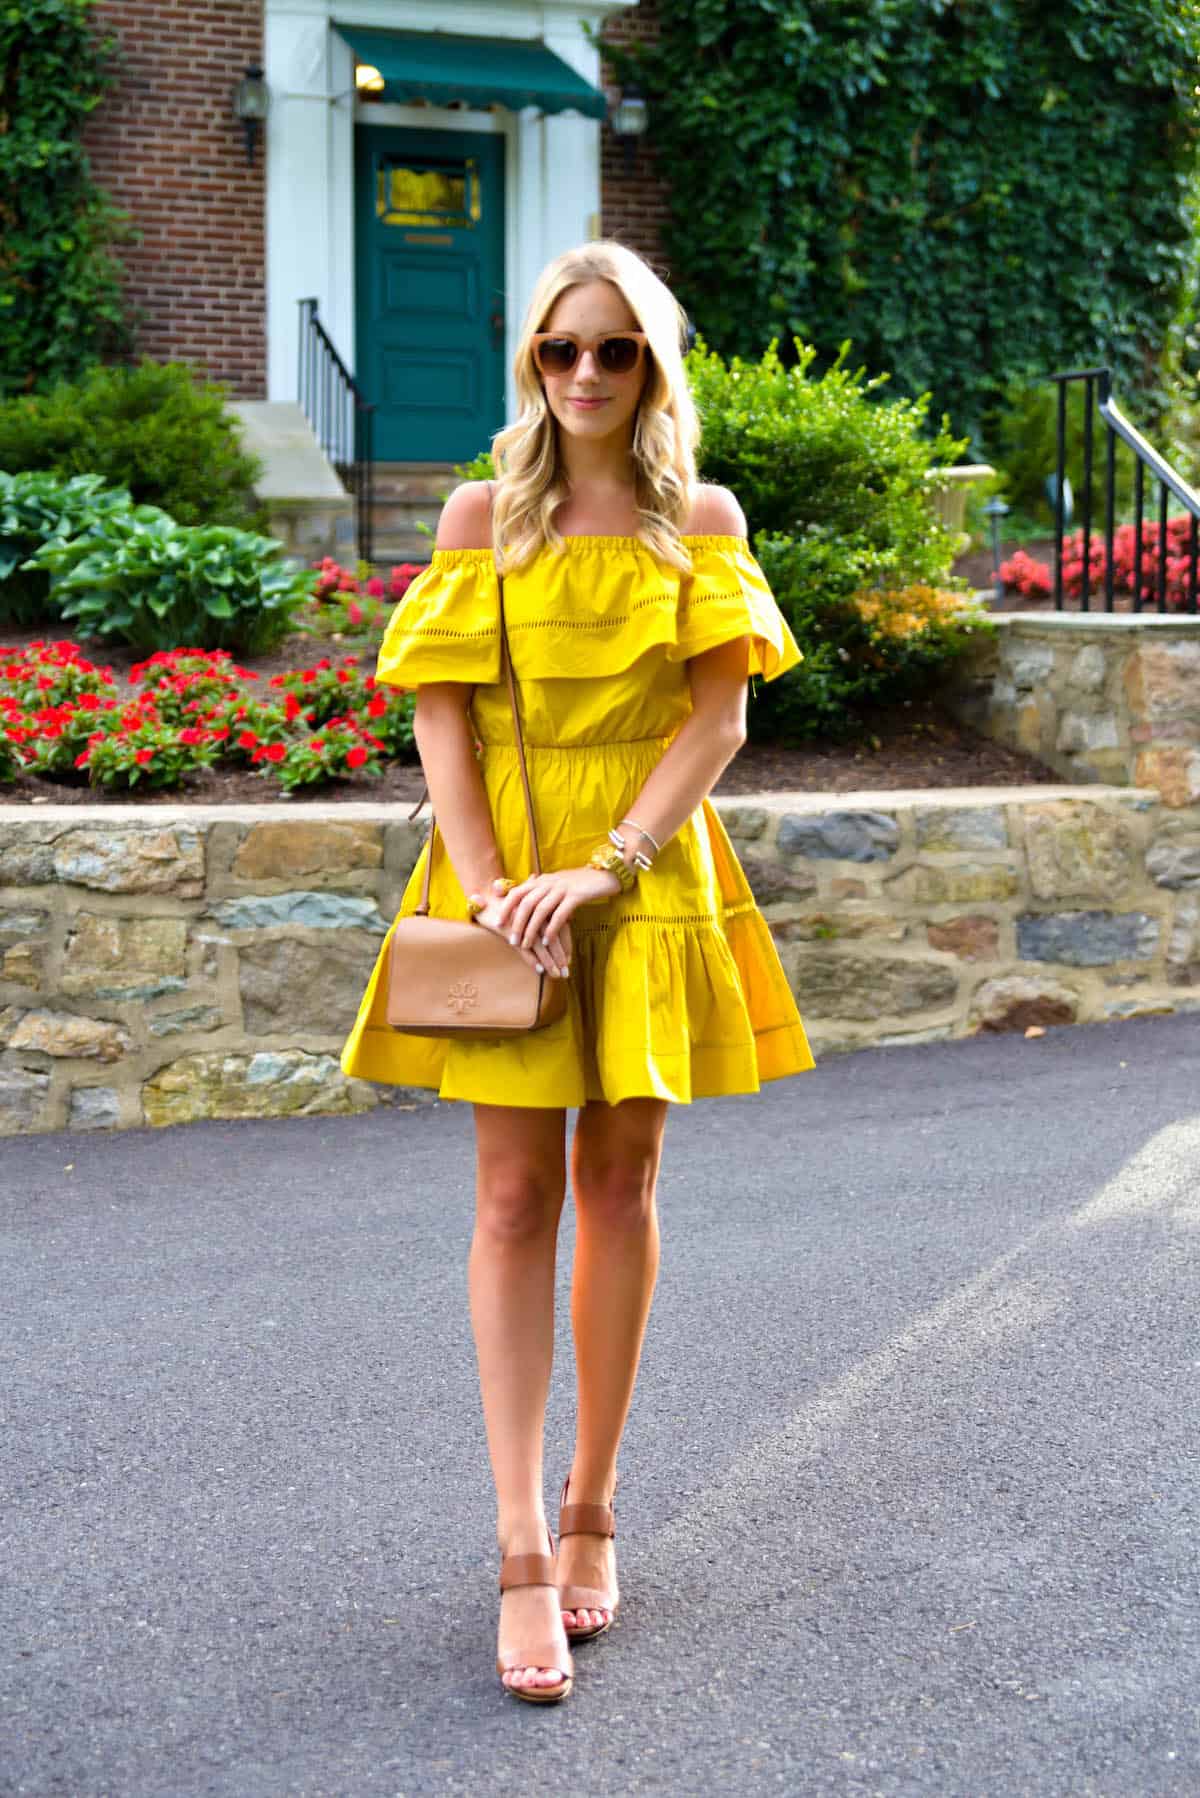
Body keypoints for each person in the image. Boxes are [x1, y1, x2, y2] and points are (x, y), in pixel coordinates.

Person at [339, 240, 814, 1704]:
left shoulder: (702, 518)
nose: (588, 374)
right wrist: (493, 890)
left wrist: (601, 866)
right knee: (506, 1196)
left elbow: (718, 722)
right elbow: (439, 718)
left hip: (639, 869)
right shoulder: (485, 515)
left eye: (616, 350)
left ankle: (595, 1502)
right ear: (531, 364)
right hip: (504, 878)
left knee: (621, 1187)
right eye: (562, 350)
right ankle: (519, 1548)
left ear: (656, 364)